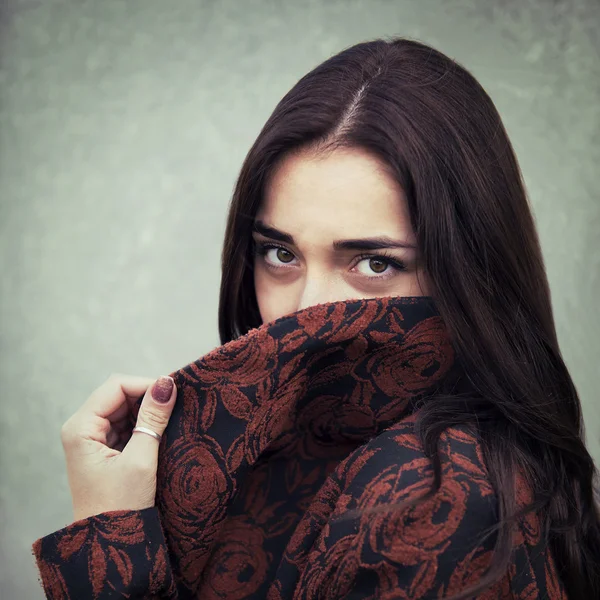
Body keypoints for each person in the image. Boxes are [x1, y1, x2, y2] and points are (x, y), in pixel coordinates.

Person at [33, 38, 599, 599]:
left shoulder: (432, 500)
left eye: (374, 263)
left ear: (471, 270)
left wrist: (108, 545)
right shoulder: (284, 447)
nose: (308, 309)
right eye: (281, 254)